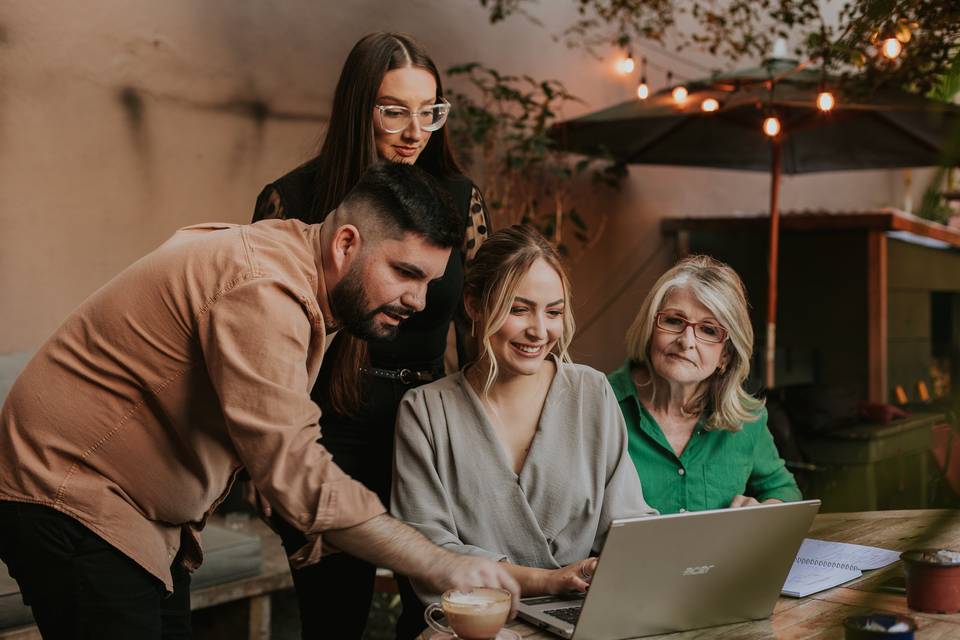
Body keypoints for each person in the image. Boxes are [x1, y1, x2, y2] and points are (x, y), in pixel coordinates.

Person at [0, 163, 518, 640]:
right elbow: (294, 465)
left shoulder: (298, 268)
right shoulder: (264, 288)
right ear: (344, 243)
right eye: (406, 272)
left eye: (430, 280)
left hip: (139, 517)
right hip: (70, 495)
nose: (420, 301)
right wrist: (439, 562)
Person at [250, 32, 491, 638]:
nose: (414, 131)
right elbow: (262, 341)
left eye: (429, 111)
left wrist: (492, 437)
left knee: (441, 615)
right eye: (393, 110)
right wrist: (262, 463)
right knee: (332, 619)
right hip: (330, 428)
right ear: (359, 109)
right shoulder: (295, 199)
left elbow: (479, 332)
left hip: (432, 427)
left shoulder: (461, 202)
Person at [391, 225, 656, 638]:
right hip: (475, 626)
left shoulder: (591, 392)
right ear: (474, 305)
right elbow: (427, 554)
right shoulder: (426, 411)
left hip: (584, 619)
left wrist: (617, 564)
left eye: (553, 312)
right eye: (519, 309)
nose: (540, 331)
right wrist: (548, 580)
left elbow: (628, 522)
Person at [607, 254, 802, 515]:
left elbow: (784, 490)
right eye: (674, 321)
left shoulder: (748, 419)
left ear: (725, 355)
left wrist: (762, 509)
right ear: (650, 327)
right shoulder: (600, 404)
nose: (687, 341)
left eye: (709, 330)